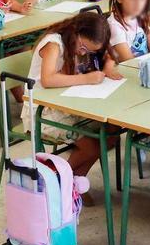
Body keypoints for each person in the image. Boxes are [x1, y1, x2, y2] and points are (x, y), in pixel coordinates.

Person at [27, 11, 122, 178]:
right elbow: (47, 79)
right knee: (91, 146)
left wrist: (107, 67)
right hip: (41, 111)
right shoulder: (54, 43)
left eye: (89, 51)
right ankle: (57, 180)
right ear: (76, 31)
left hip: (67, 104)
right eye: (83, 48)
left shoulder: (80, 42)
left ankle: (74, 181)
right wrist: (86, 79)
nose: (83, 53)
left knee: (112, 132)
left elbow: (110, 54)